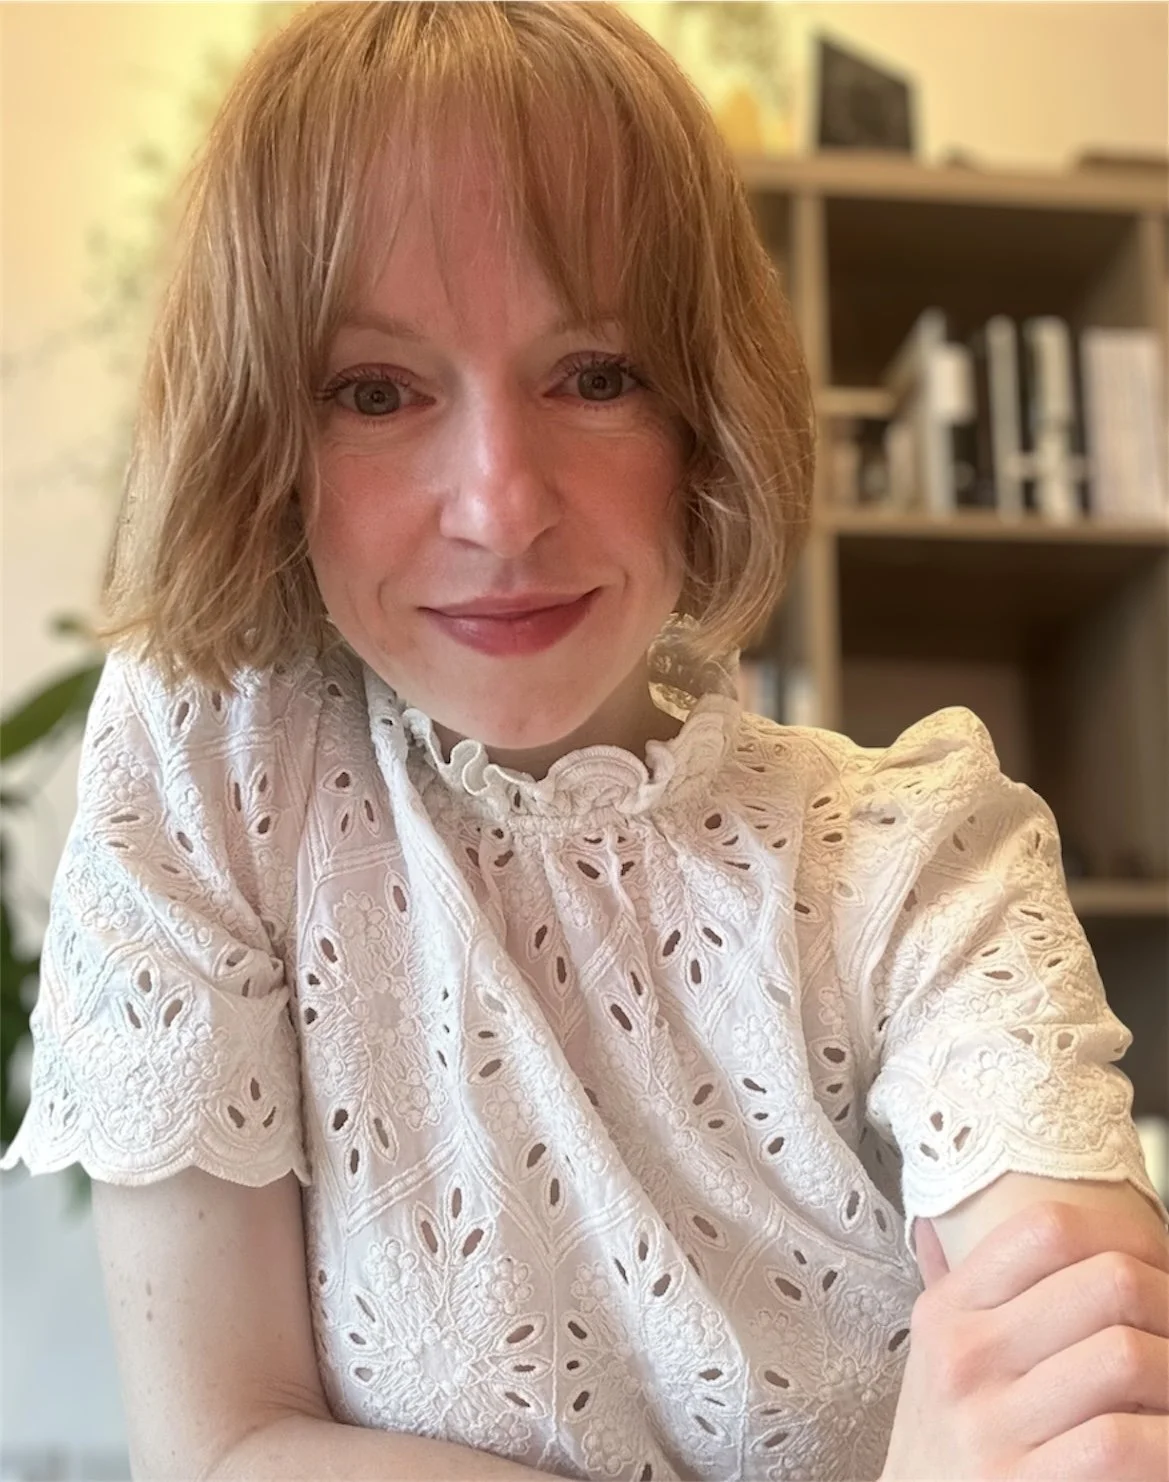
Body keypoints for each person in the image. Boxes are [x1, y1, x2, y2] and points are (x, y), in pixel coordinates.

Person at [3, 4, 1167, 1480]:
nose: (500, 505)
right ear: (266, 436)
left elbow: (1088, 1383)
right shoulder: (213, 765)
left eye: (596, 373)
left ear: (706, 413)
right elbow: (221, 1444)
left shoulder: (919, 853)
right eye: (376, 391)